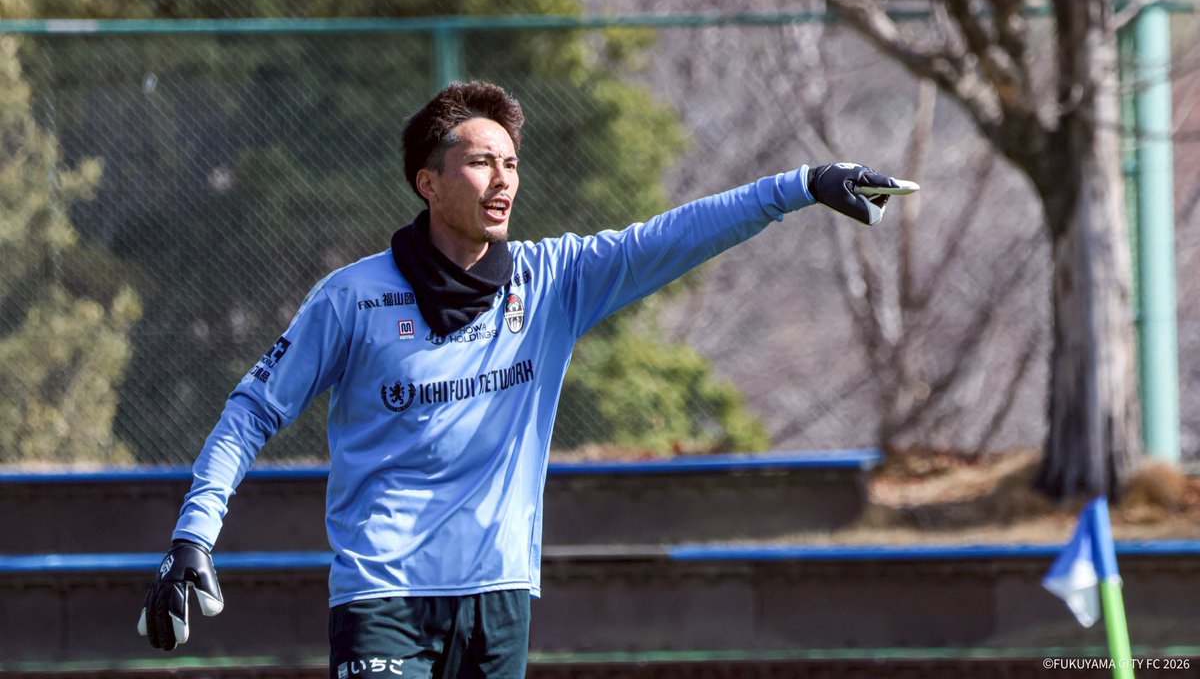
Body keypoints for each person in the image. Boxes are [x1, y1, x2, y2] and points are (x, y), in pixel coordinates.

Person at [137, 80, 909, 677]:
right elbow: (250, 413)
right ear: (428, 183)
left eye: (510, 163)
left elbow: (673, 236)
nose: (502, 180)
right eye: (480, 162)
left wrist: (801, 185)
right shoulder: (352, 297)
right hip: (382, 598)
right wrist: (193, 535)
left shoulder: (552, 282)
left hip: (500, 599)